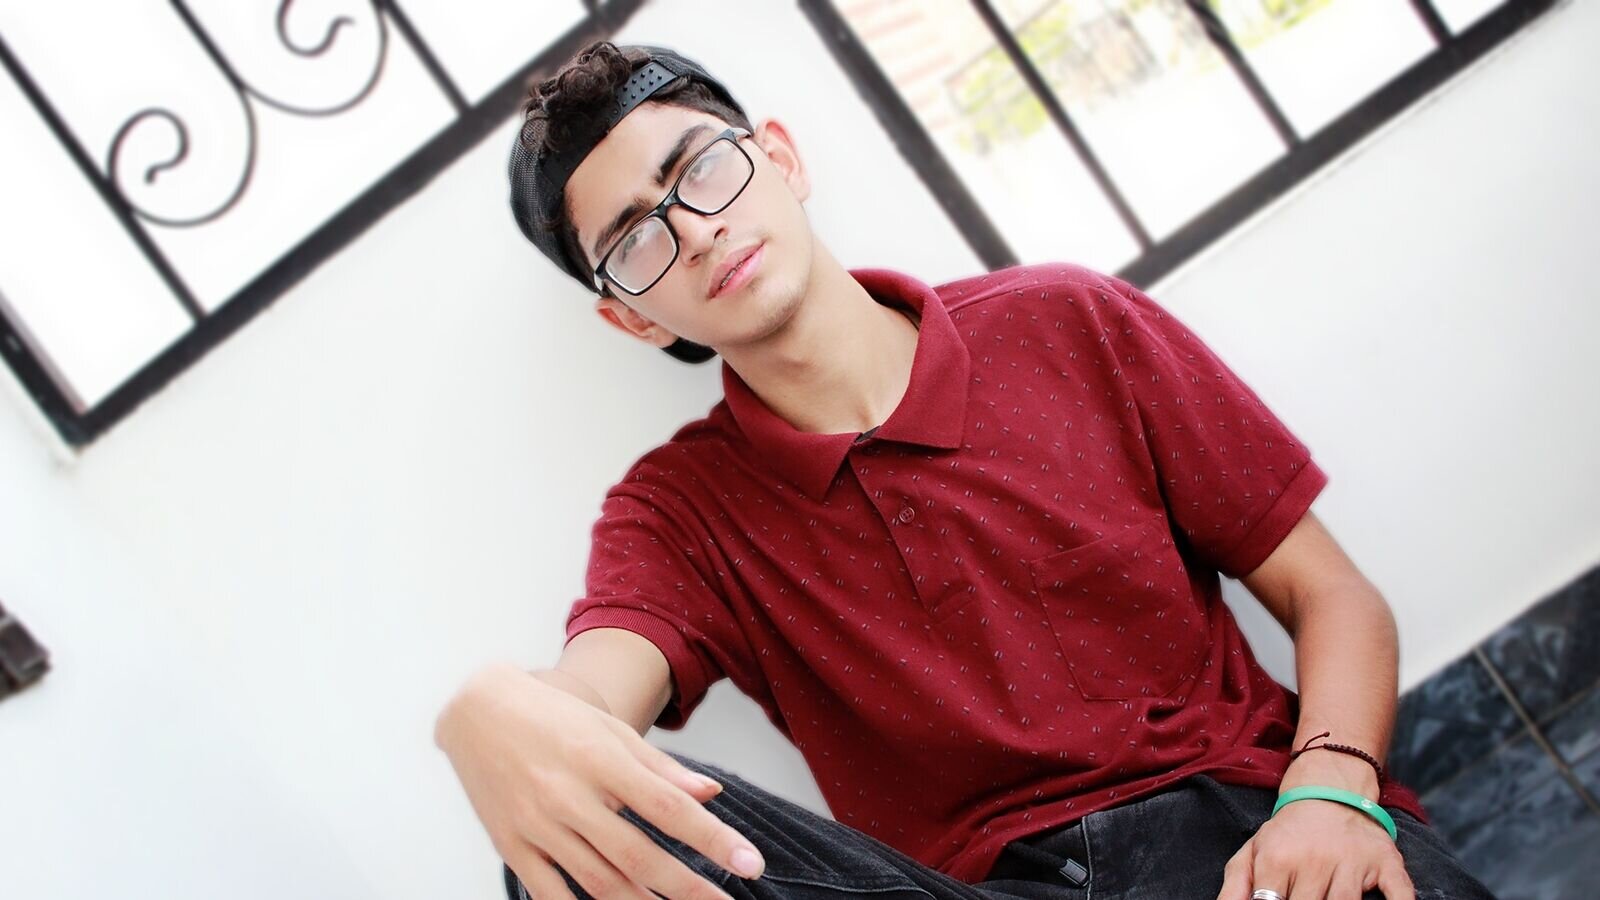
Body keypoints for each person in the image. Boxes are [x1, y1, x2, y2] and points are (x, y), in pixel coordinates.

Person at [433, 39, 1498, 900]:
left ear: (781, 159)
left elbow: (1331, 593)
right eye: (636, 238)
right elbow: (593, 698)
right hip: (980, 889)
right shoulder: (677, 513)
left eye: (702, 168)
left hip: (1243, 829)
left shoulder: (1066, 321)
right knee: (569, 831)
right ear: (631, 318)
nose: (699, 230)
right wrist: (490, 712)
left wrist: (1328, 794)